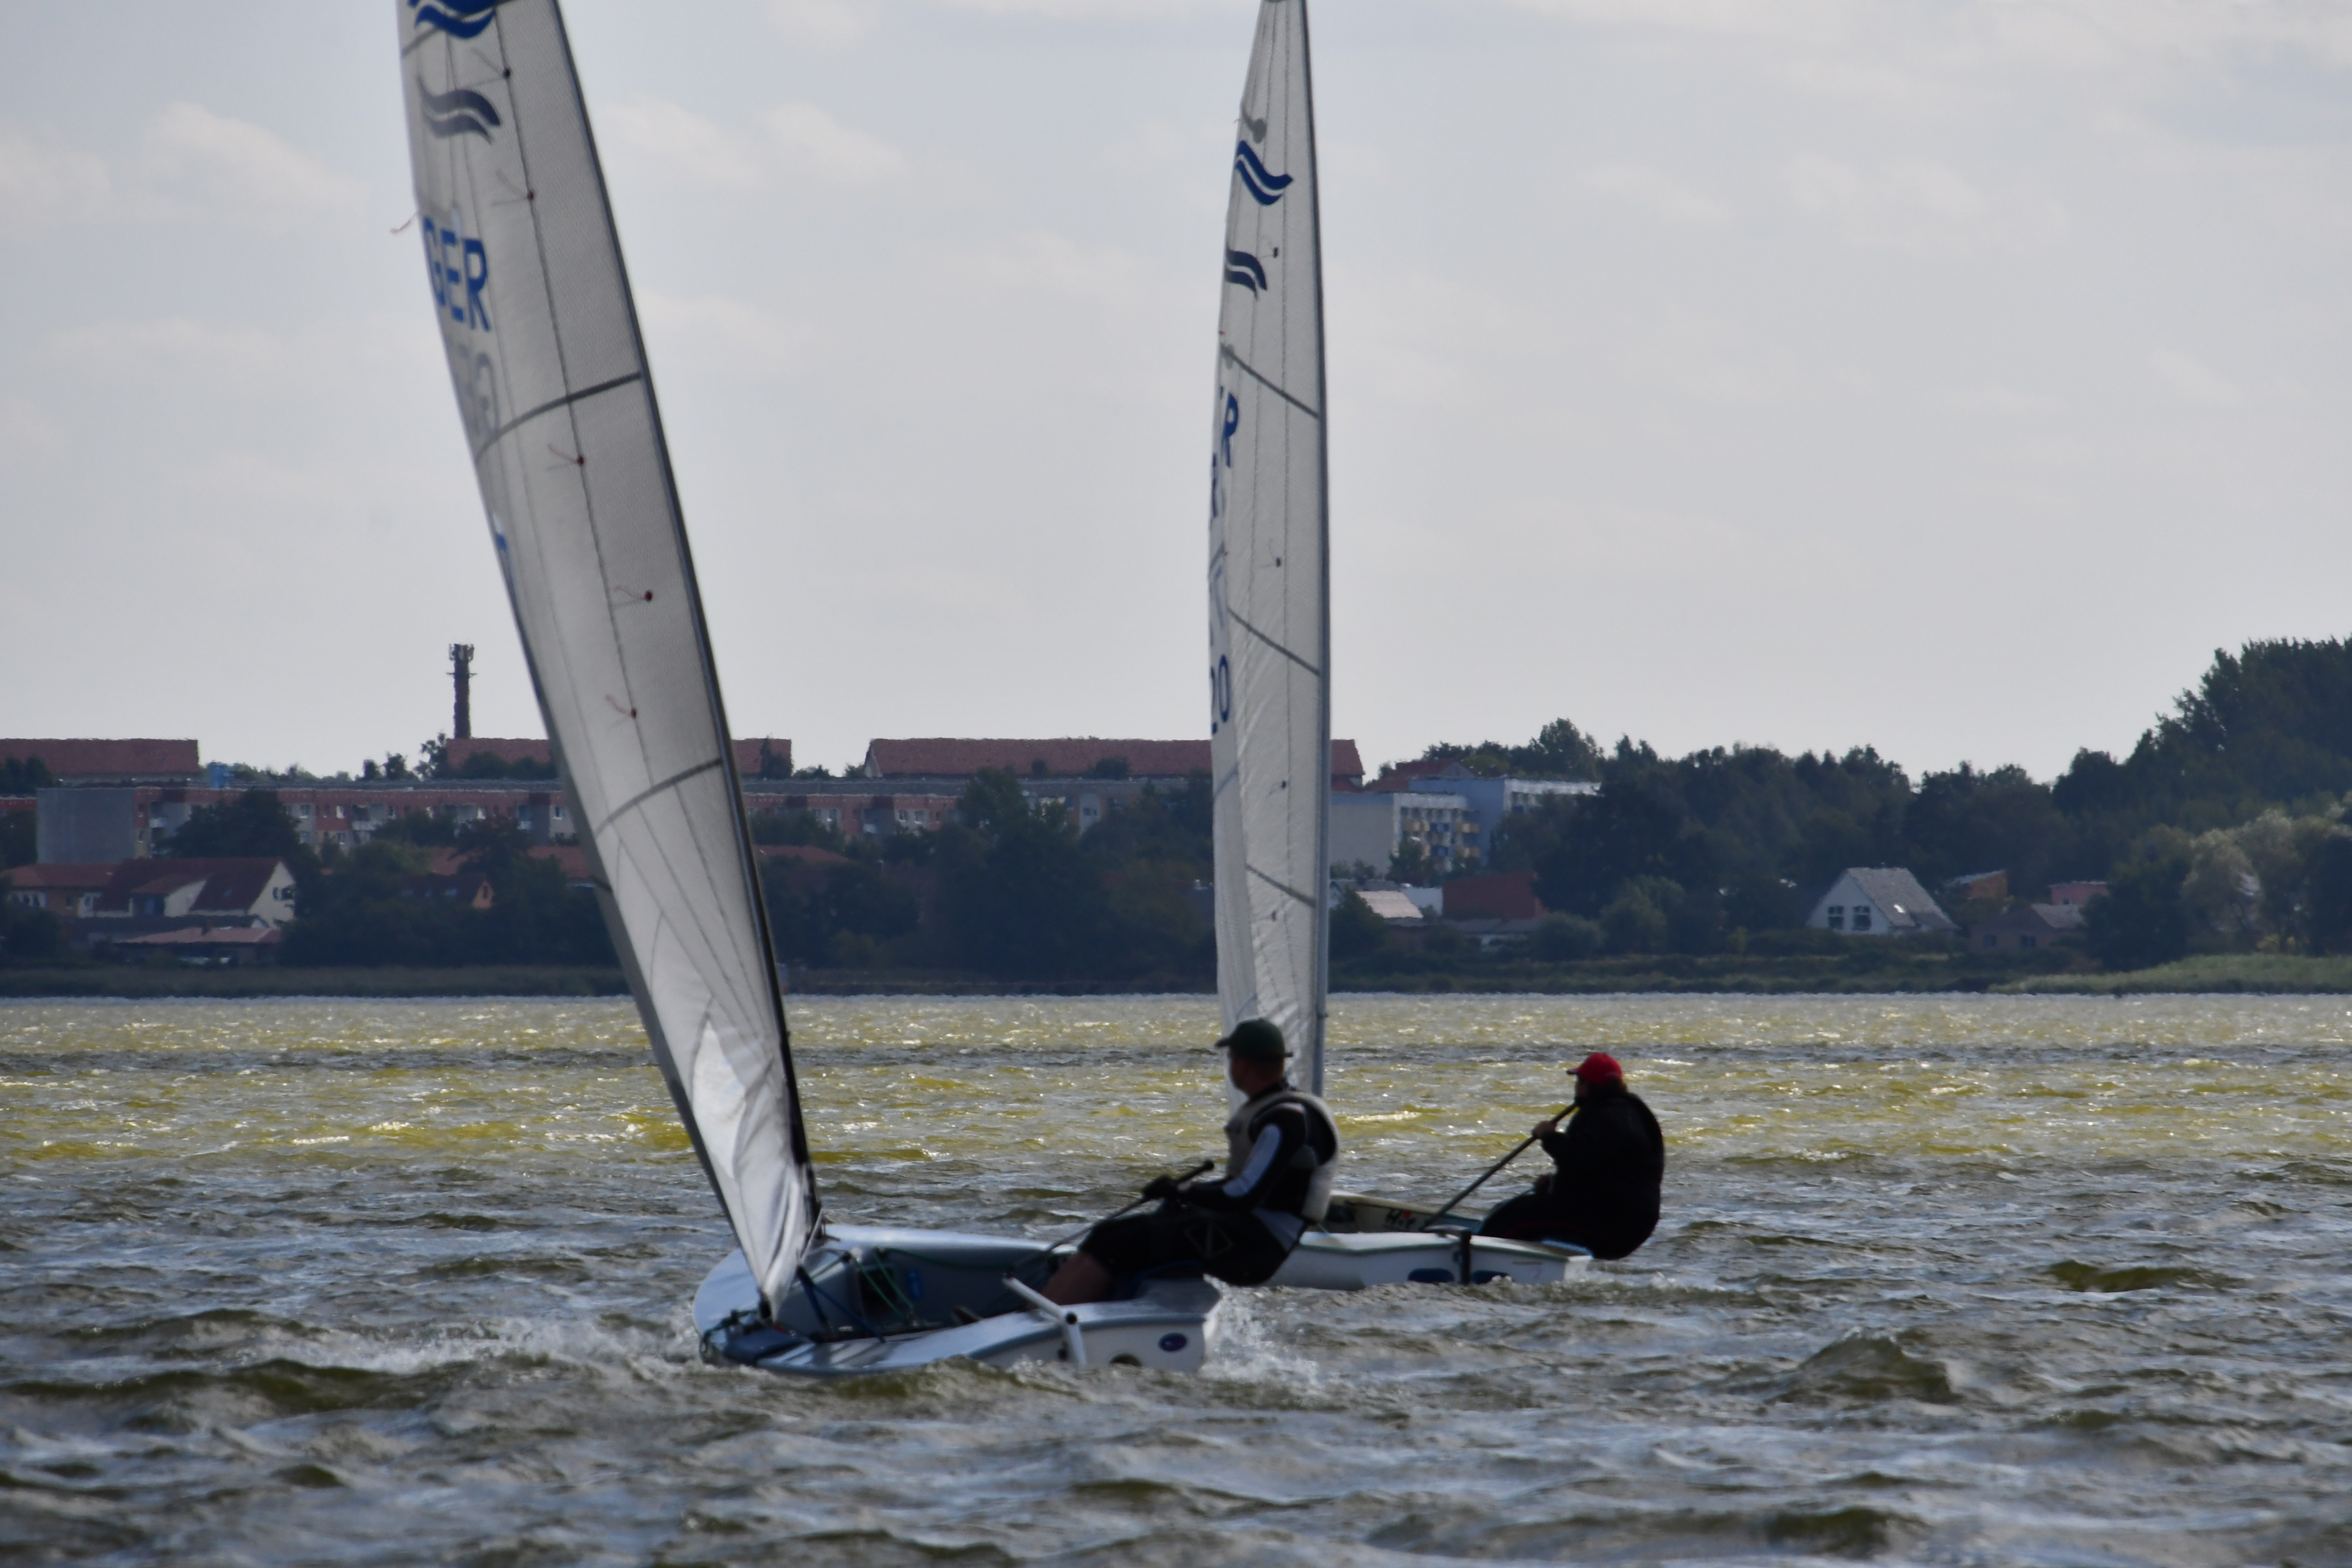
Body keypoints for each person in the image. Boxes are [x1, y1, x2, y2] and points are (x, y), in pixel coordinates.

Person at [1040, 1018, 1339, 1305]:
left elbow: (1245, 1194)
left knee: (1121, 1244)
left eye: (1231, 1058)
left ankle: (1054, 1317)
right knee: (1108, 1233)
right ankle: (1042, 1307)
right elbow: (1239, 1189)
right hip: (1243, 1230)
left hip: (1260, 1246)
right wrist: (1182, 1195)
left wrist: (1185, 1191)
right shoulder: (1274, 1109)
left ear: (1242, 1064)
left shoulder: (1286, 1120)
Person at [1476, 1051, 1663, 1259]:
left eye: (1578, 1081)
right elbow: (1602, 1171)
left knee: (1519, 1216)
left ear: (1586, 1084)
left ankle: (1476, 1259)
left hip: (1616, 1224)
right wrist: (1555, 1184)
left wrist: (1549, 1136)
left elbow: (1577, 1155)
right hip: (1626, 1221)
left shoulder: (1610, 1116)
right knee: (1516, 1210)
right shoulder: (1629, 1112)